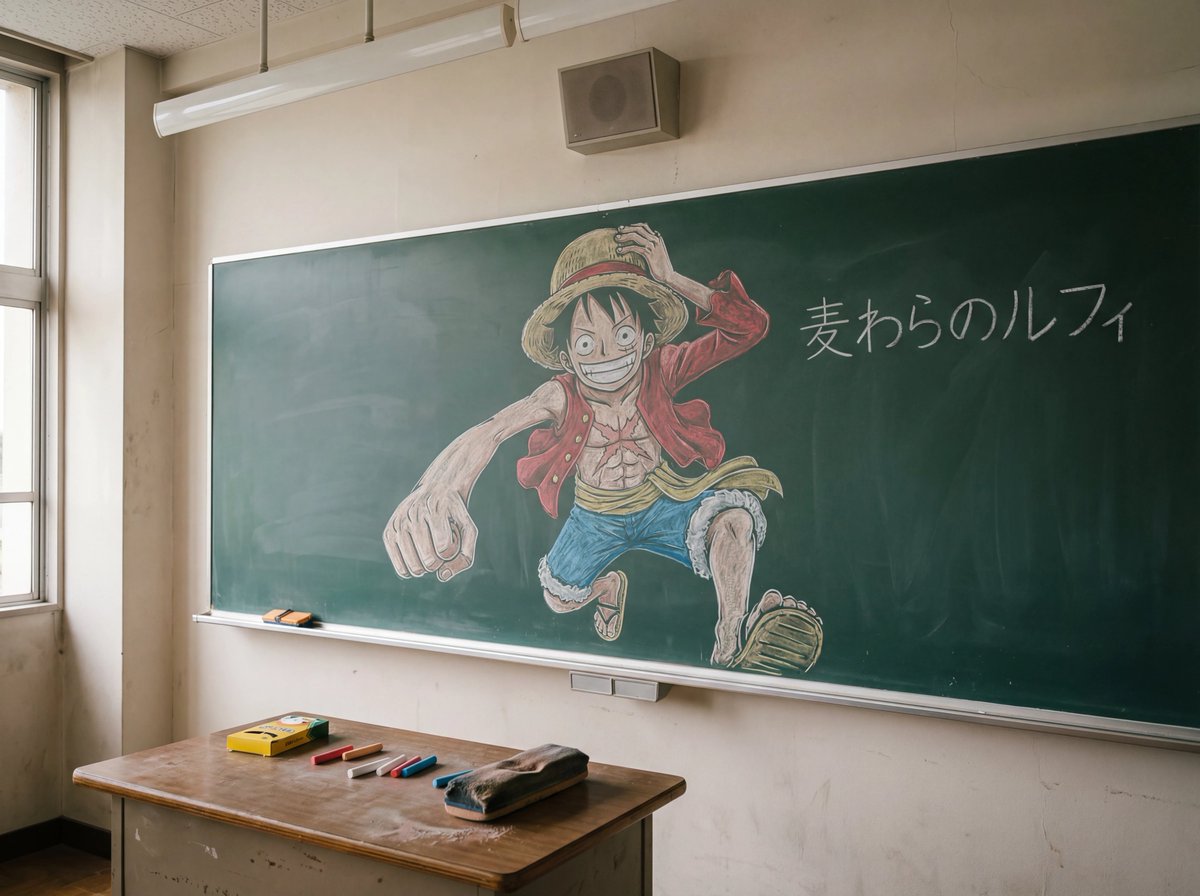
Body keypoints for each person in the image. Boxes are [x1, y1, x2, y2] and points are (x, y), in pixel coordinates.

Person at [383, 223, 822, 672]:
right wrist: (441, 485)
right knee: (557, 599)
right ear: (568, 355)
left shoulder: (663, 367)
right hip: (595, 517)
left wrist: (671, 279)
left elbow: (750, 327)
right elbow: (493, 429)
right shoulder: (559, 395)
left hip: (662, 502)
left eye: (623, 338)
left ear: (647, 340)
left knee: (735, 521)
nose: (606, 357)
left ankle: (731, 638)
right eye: (588, 343)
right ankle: (607, 588)